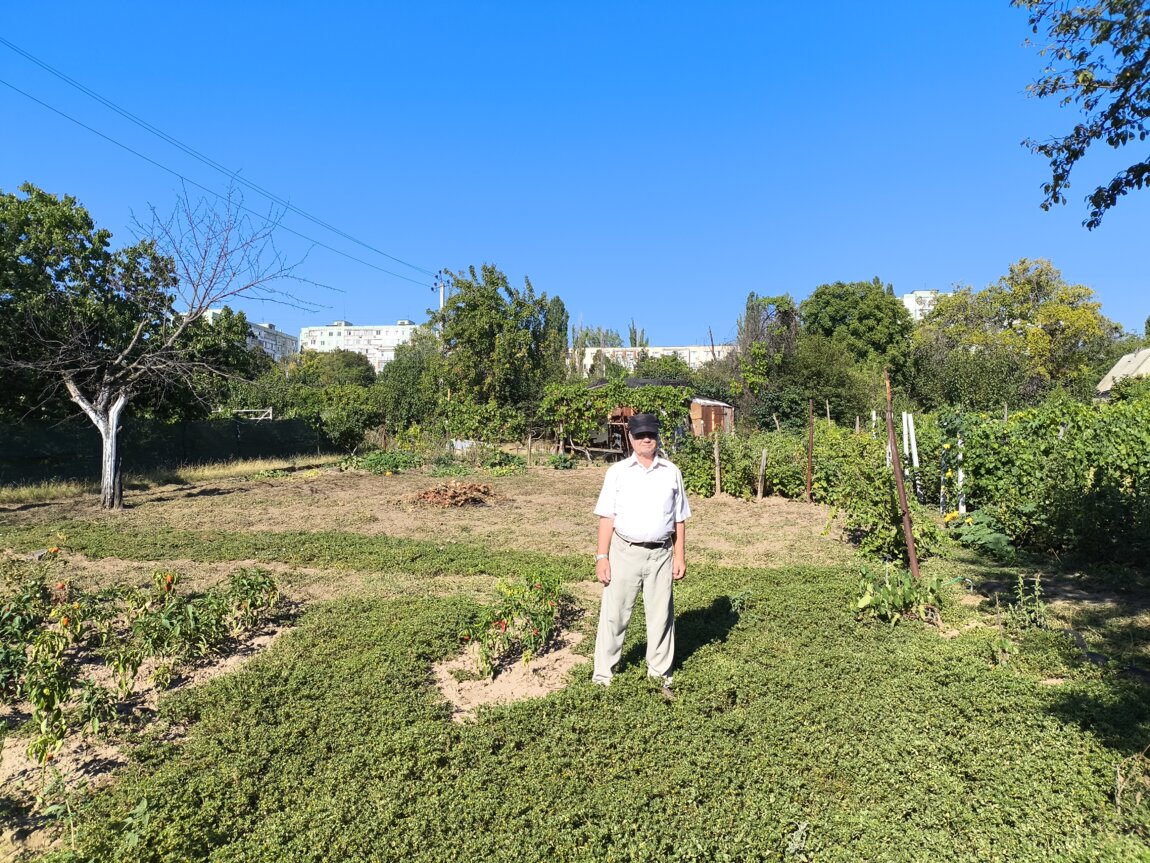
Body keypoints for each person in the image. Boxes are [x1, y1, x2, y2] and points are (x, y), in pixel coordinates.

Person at [591, 412, 691, 694]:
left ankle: (659, 675)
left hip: (661, 555)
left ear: (657, 436)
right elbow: (607, 517)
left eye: (651, 434)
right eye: (640, 435)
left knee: (661, 617)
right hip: (624, 552)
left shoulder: (671, 472)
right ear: (630, 437)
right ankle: (603, 677)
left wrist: (679, 555)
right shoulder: (617, 472)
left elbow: (679, 519)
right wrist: (602, 557)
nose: (646, 439)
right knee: (615, 615)